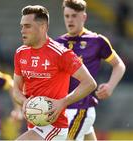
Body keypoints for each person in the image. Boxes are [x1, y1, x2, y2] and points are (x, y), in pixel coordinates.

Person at [13, 5, 97, 140]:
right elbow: (16, 89)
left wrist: (62, 102)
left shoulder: (61, 53)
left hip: (54, 127)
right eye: (22, 26)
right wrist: (24, 102)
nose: (22, 30)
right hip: (34, 125)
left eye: (27, 26)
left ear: (42, 27)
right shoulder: (20, 53)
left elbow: (90, 83)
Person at [55, 0, 126, 141]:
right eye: (67, 16)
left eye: (74, 16)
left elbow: (119, 65)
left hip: (81, 108)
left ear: (84, 17)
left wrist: (110, 86)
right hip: (63, 108)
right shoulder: (58, 43)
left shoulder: (97, 41)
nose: (70, 20)